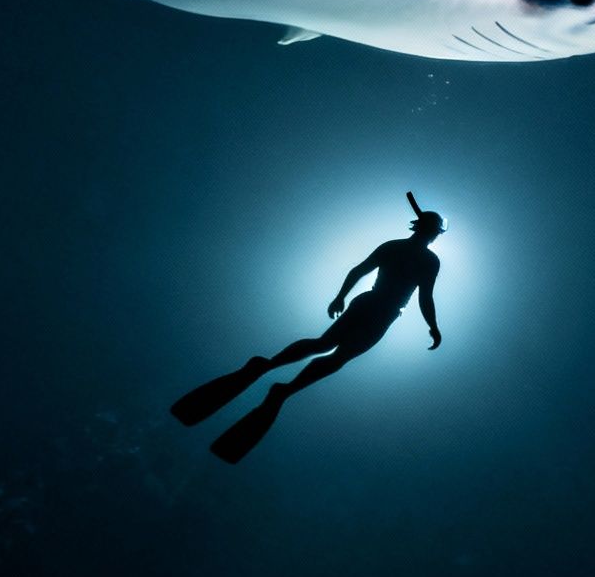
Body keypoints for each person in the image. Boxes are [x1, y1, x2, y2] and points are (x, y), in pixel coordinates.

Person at [170, 194, 446, 461]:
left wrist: (343, 296)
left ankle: (274, 378)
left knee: (332, 351)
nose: (433, 237)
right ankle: (274, 377)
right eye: (435, 233)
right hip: (378, 308)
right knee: (330, 350)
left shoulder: (406, 252)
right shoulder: (412, 255)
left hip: (378, 309)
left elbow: (395, 286)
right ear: (429, 232)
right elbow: (378, 278)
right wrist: (341, 297)